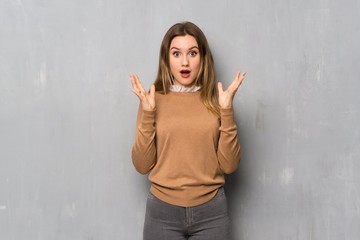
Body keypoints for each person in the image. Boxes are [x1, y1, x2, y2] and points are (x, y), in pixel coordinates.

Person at [130, 21, 246, 240]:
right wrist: (147, 114)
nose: (185, 62)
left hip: (211, 212)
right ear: (167, 59)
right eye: (176, 54)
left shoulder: (217, 99)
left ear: (203, 57)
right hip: (162, 213)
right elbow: (142, 165)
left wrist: (227, 111)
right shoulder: (152, 100)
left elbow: (230, 165)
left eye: (192, 53)